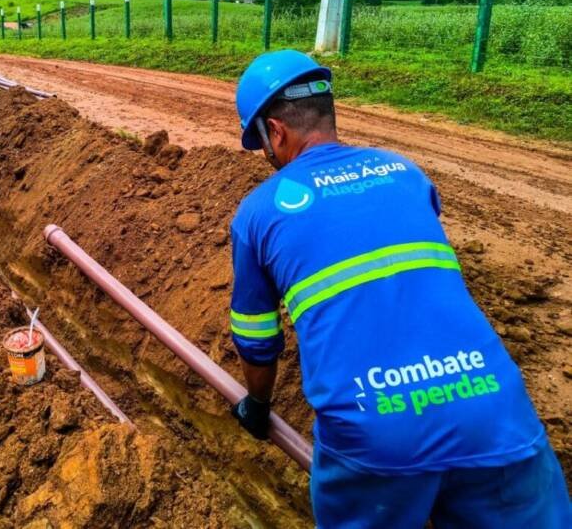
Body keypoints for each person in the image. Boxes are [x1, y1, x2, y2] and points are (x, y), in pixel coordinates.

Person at [228, 50, 570, 528]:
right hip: (495, 413)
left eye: (262, 143)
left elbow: (256, 337)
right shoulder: (407, 173)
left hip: (376, 430)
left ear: (276, 132)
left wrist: (258, 406)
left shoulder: (258, 214)